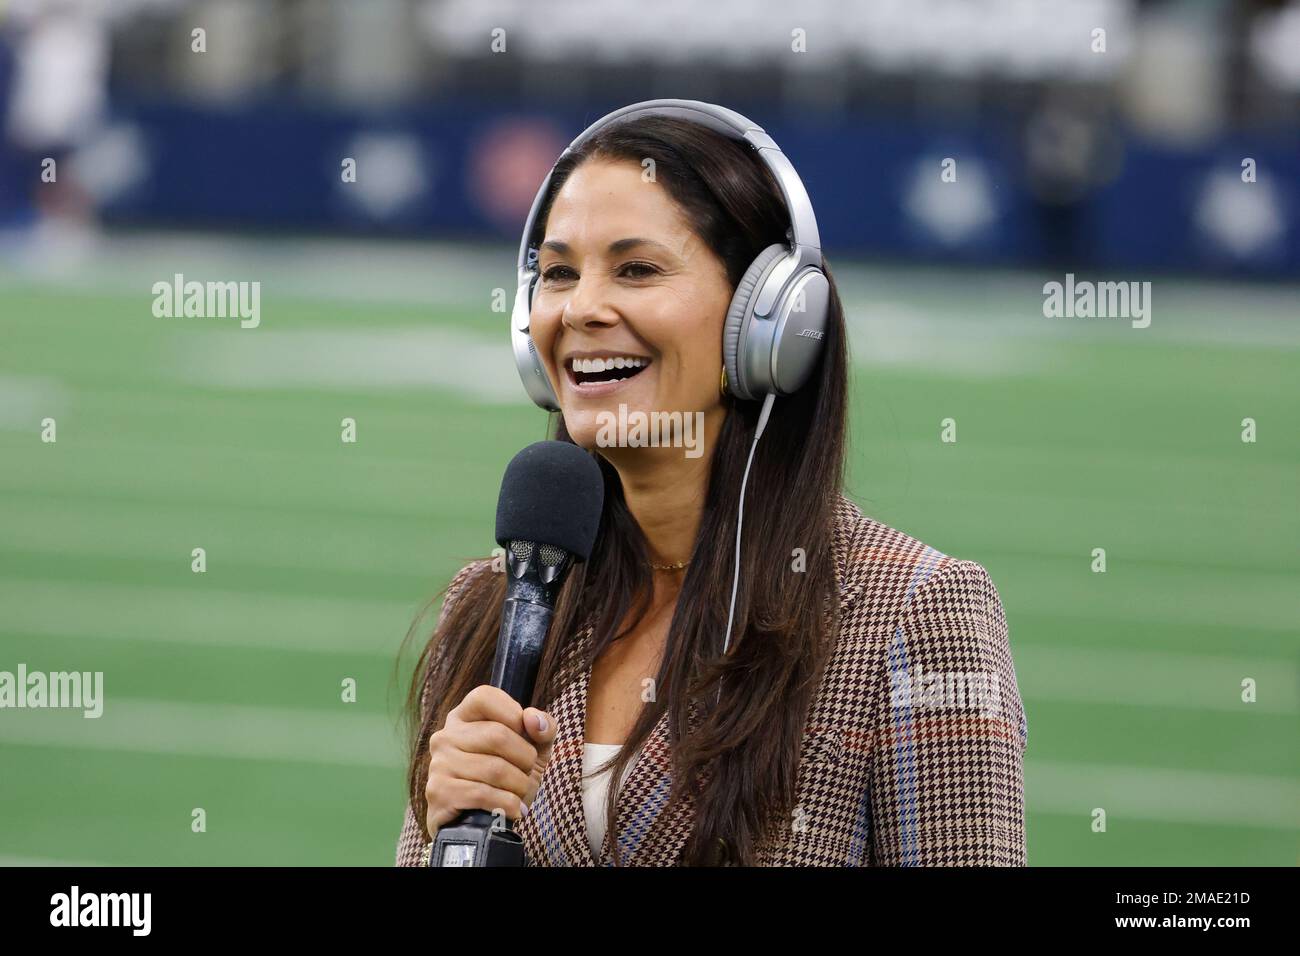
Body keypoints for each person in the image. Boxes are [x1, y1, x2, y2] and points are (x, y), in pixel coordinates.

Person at [396, 104, 1028, 867]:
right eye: (559, 272)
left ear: (769, 321)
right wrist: (452, 835)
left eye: (637, 269)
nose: (582, 309)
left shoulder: (912, 613)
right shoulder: (493, 610)